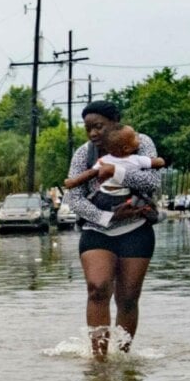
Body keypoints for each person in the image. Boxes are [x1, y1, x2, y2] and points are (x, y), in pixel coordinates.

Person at [64, 102, 161, 357]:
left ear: (114, 123)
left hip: (136, 229)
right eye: (88, 129)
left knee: (128, 297)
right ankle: (100, 360)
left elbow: (152, 181)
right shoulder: (83, 155)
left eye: (98, 126)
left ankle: (122, 356)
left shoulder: (140, 143)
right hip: (97, 230)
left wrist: (114, 171)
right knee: (97, 288)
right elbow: (74, 198)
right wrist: (107, 216)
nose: (93, 133)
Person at [63, 122, 164, 217]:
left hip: (106, 197)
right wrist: (160, 161)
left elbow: (90, 173)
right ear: (126, 148)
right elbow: (156, 163)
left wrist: (73, 182)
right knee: (141, 202)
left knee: (97, 199)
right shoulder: (136, 159)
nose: (138, 138)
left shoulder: (104, 160)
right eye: (135, 138)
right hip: (121, 197)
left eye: (98, 126)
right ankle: (152, 214)